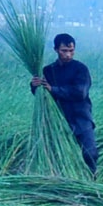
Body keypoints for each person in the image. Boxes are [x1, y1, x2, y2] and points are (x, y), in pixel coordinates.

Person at [31, 33, 97, 171]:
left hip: (81, 118)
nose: (68, 54)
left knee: (90, 154)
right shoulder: (48, 71)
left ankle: (91, 179)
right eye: (64, 51)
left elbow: (80, 92)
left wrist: (53, 89)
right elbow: (42, 94)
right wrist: (35, 86)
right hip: (59, 120)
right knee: (58, 155)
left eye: (71, 50)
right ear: (56, 49)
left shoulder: (80, 69)